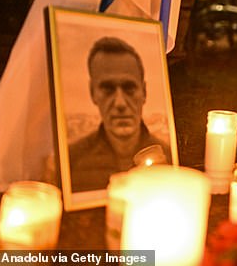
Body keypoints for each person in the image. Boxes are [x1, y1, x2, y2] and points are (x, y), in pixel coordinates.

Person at [69, 36, 171, 192]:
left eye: (129, 88)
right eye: (107, 89)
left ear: (144, 92)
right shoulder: (71, 160)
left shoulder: (168, 158)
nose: (120, 103)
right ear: (93, 93)